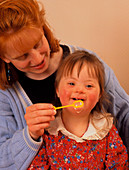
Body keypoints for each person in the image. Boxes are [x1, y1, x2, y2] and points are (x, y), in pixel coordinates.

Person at [0, 0, 128, 169]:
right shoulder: (5, 94)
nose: (38, 59)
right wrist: (29, 136)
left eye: (38, 44)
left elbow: (125, 115)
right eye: (23, 56)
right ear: (5, 57)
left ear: (42, 29)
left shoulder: (88, 63)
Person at [28, 50, 128, 169]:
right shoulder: (48, 129)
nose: (80, 90)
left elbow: (119, 166)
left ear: (99, 94)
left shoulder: (106, 129)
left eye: (89, 86)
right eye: (71, 83)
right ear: (57, 90)